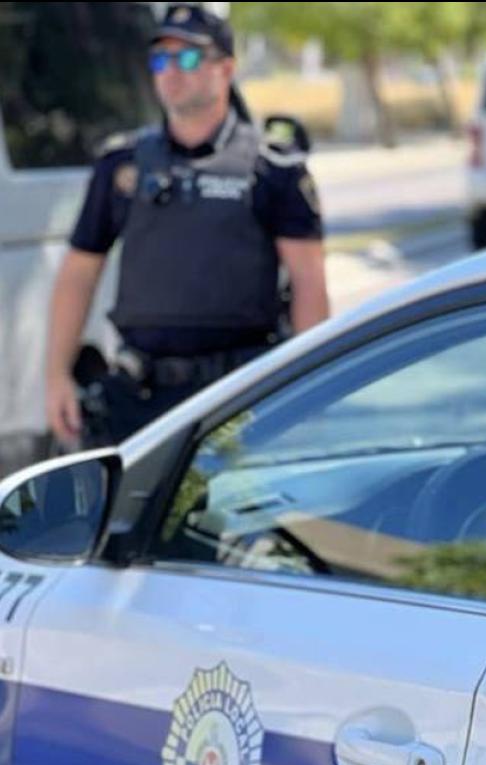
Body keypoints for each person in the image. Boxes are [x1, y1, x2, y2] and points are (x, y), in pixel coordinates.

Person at [45, 4, 329, 450]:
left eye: (189, 58)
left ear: (226, 69)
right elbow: (79, 271)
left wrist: (309, 393)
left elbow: (309, 283)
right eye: (161, 59)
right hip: (139, 402)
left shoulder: (273, 168)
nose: (171, 72)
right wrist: (55, 375)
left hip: (240, 397)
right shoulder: (121, 165)